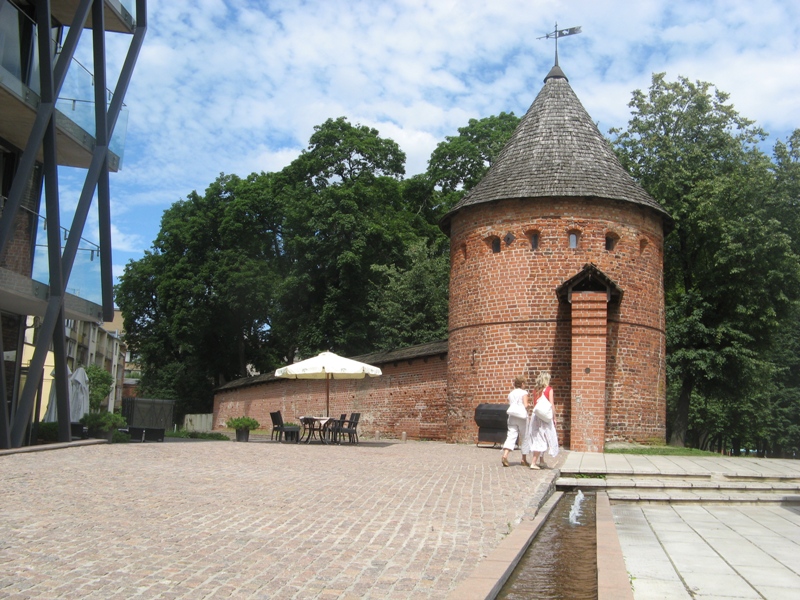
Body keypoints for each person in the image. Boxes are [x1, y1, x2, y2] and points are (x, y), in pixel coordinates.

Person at [525, 371, 559, 469]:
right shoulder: (549, 389)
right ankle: (533, 462)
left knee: (539, 437)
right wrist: (554, 417)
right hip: (545, 417)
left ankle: (542, 460)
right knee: (542, 439)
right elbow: (551, 404)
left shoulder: (535, 390)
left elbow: (535, 404)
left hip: (536, 417)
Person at [501, 376, 530, 467]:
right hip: (521, 416)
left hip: (512, 416)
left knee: (511, 435)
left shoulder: (511, 393)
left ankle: (505, 455)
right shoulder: (524, 392)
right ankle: (523, 459)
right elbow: (525, 405)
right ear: (522, 384)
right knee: (524, 436)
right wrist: (529, 404)